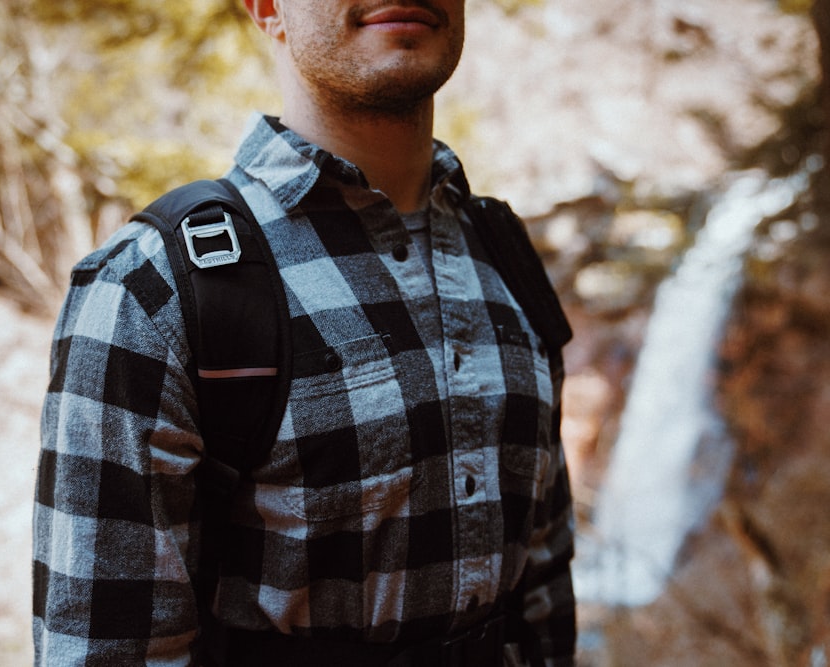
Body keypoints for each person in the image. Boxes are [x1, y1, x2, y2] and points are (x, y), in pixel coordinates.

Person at [32, 0, 577, 665]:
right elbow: (107, 650)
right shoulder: (153, 290)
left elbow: (545, 596)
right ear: (266, 6)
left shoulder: (502, 257)